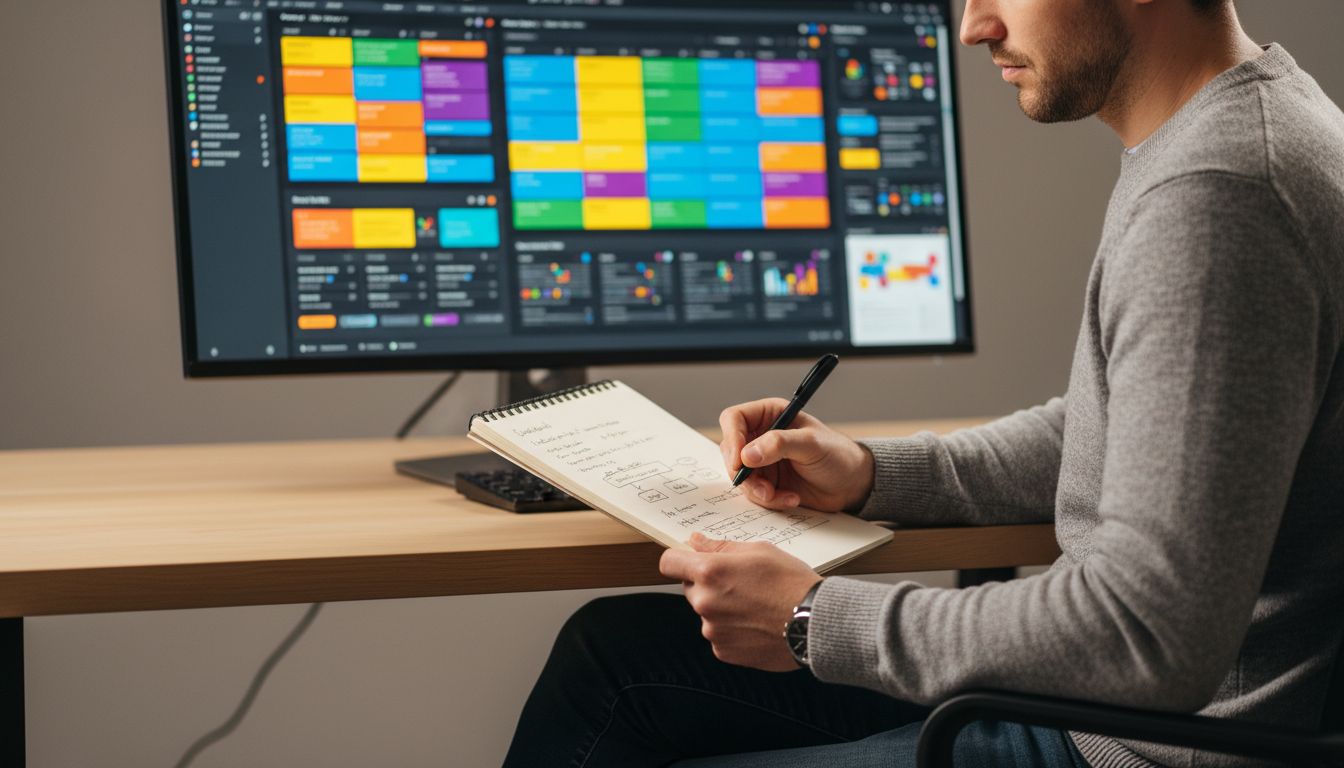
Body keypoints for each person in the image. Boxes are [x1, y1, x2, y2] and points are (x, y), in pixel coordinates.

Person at [502, 0, 1344, 765]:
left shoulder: (1220, 198)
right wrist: (875, 472)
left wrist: (810, 621)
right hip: (1106, 708)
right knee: (607, 659)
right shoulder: (1244, 126)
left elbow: (1146, 636)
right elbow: (1130, 426)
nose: (975, 26)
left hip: (1136, 743)